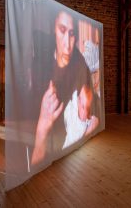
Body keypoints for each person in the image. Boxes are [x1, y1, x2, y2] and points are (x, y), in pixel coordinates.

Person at [31, 9, 95, 166]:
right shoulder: (40, 65)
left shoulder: (79, 63)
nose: (67, 44)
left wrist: (83, 132)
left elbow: (93, 110)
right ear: (53, 30)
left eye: (72, 33)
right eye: (62, 30)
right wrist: (42, 126)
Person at [62, 84, 99, 149]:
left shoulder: (87, 122)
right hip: (68, 144)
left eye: (86, 108)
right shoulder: (73, 111)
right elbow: (74, 99)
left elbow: (95, 121)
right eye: (79, 99)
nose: (78, 101)